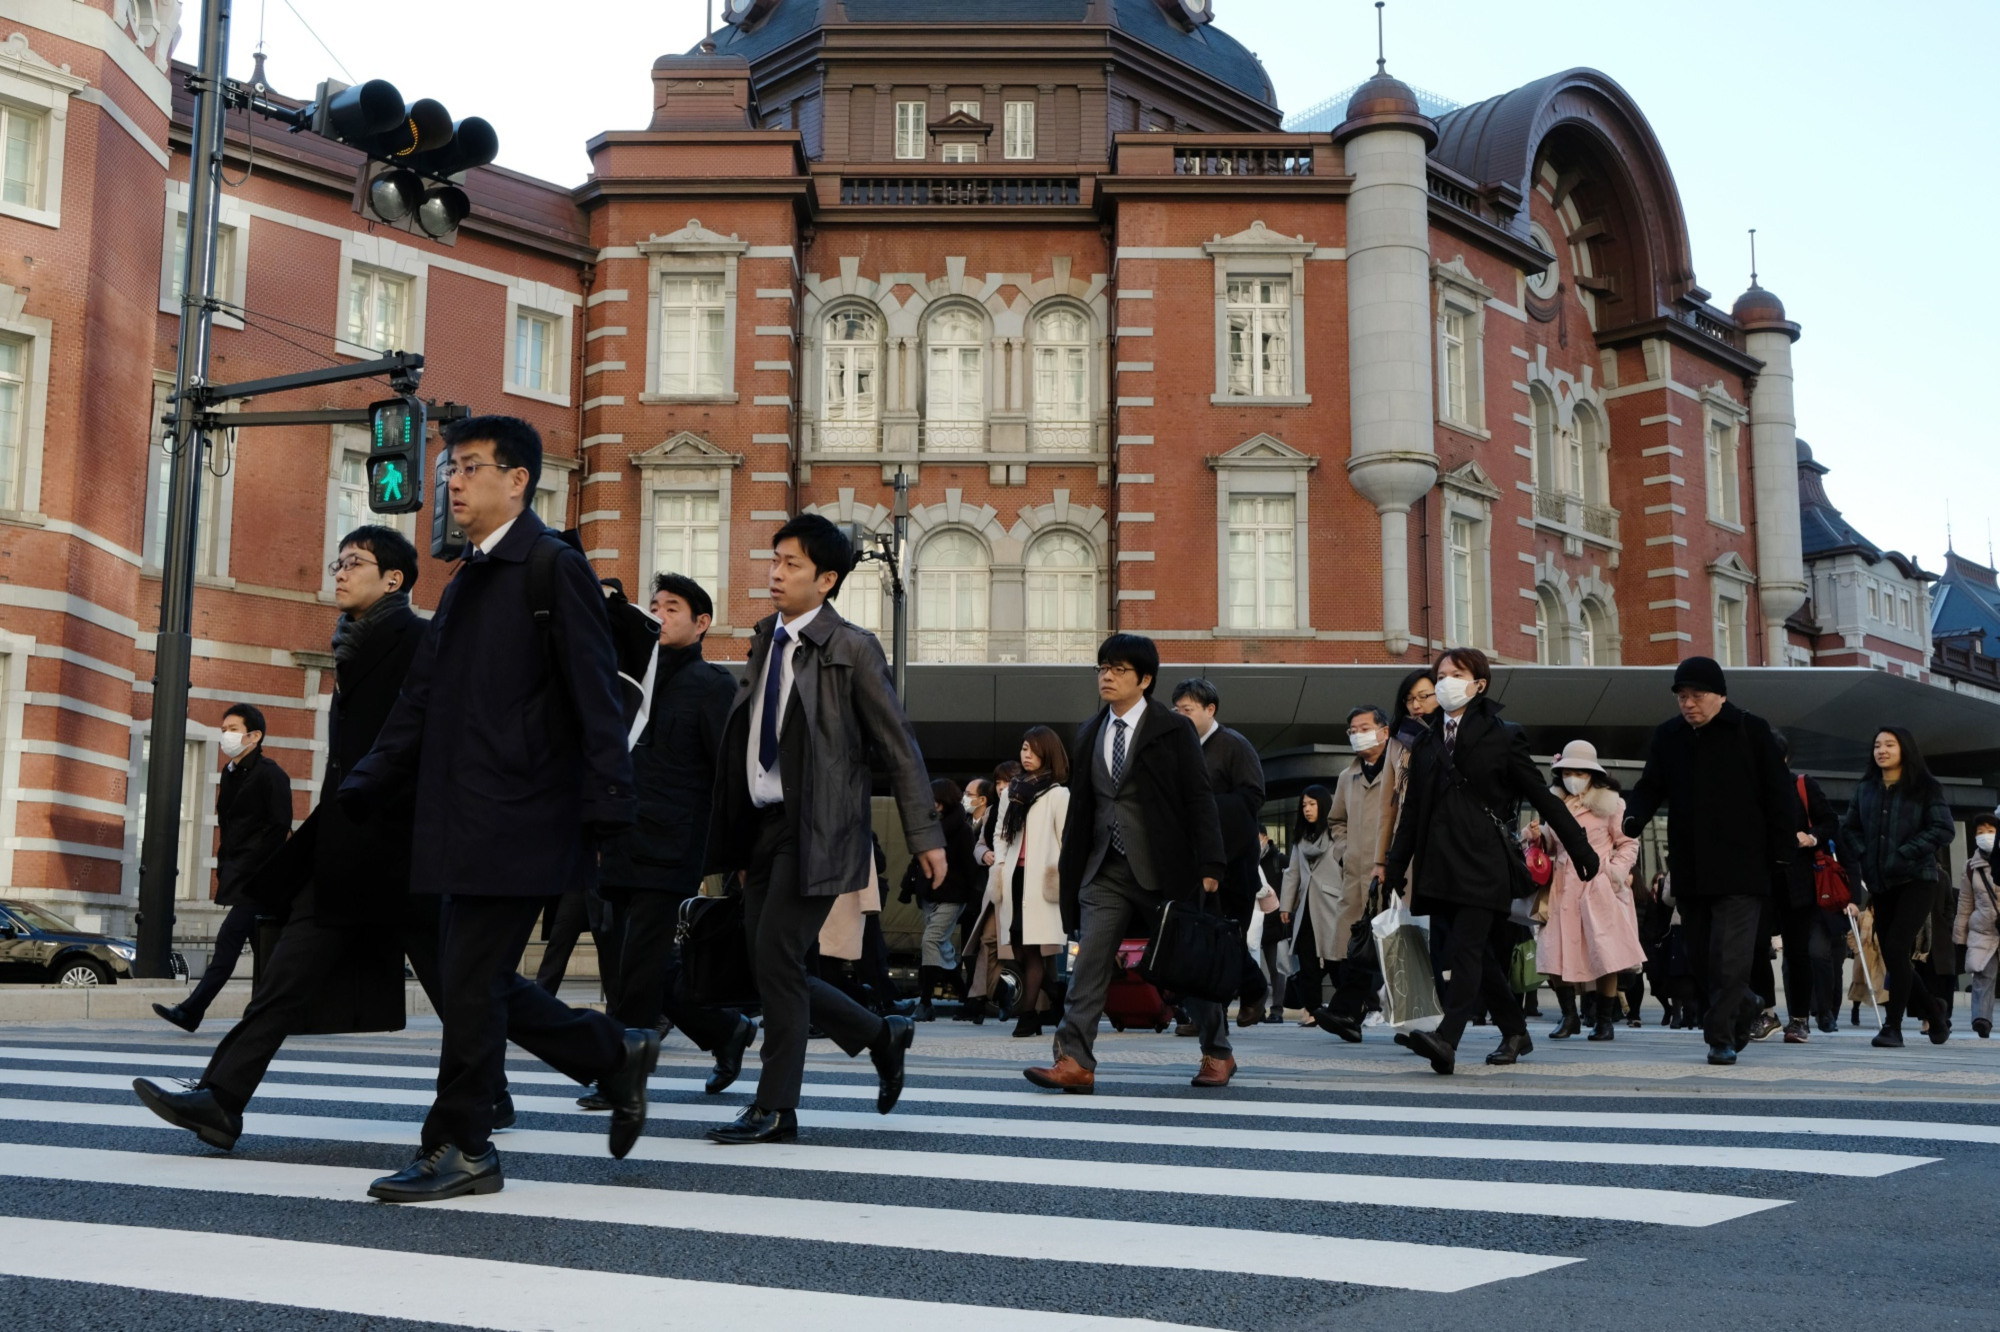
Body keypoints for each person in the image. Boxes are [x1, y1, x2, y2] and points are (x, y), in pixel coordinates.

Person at [337, 415, 660, 1201]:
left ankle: (463, 1146)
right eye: (451, 469)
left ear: (518, 481)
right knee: (470, 975)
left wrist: (610, 803)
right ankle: (612, 1053)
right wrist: (367, 780)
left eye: (471, 468)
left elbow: (594, 693)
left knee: (473, 982)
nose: (452, 482)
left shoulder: (553, 568)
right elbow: (420, 701)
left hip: (523, 811)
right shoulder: (466, 577)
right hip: (459, 812)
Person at [135, 526, 461, 1149]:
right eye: (337, 561)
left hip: (406, 849)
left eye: (355, 563)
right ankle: (222, 1100)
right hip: (351, 847)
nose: (339, 572)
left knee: (466, 986)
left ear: (393, 579)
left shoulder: (422, 641)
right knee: (284, 978)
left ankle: (593, 1057)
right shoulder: (354, 644)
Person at [704, 513, 946, 1144]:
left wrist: (925, 835)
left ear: (828, 578)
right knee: (770, 966)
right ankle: (879, 1033)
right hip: (761, 828)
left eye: (792, 564)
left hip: (817, 828)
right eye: (775, 559)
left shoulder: (852, 648)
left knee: (778, 958)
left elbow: (899, 747)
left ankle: (776, 1107)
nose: (776, 573)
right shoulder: (766, 638)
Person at [1025, 633, 1229, 1093]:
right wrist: (1072, 869)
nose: (1107, 676)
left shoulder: (1172, 728)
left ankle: (1217, 1051)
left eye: (1118, 670)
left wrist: (1211, 863)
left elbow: (1199, 798)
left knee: (1187, 962)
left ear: (1145, 679)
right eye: (1102, 668)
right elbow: (1084, 810)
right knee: (1091, 960)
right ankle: (1074, 1060)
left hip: (1165, 865)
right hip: (1105, 868)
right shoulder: (1088, 730)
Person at [1383, 647, 1600, 1075]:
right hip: (1440, 866)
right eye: (1440, 674)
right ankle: (1515, 1030)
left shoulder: (1504, 735)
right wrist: (1395, 865)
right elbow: (1412, 812)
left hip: (1485, 863)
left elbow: (1541, 796)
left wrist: (1579, 846)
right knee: (1476, 954)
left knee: (1465, 949)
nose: (1445, 681)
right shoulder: (1425, 741)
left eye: (1456, 673)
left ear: (1479, 683)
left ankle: (1447, 1038)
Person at [586, 572, 756, 1103]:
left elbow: (732, 776)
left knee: (639, 967)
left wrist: (738, 853)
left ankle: (622, 1079)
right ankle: (725, 1030)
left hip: (672, 846)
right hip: (616, 841)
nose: (658, 614)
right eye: (654, 605)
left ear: (701, 623)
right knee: (632, 967)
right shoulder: (629, 681)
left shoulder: (713, 687)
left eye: (672, 608)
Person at [1622, 656, 1793, 1066]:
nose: (1688, 703)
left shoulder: (1751, 731)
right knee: (1699, 957)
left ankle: (1719, 1038)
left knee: (1730, 956)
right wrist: (1631, 818)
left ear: (1720, 695)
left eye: (1697, 695)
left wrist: (1783, 852)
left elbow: (1779, 795)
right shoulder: (1669, 736)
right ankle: (1748, 1003)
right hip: (1692, 866)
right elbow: (1649, 787)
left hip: (1744, 866)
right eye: (1682, 696)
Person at [152, 704, 292, 1032]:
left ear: (254, 735)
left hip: (260, 880)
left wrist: (251, 866)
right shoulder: (230, 774)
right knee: (266, 951)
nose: (225, 735)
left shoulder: (271, 774)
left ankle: (192, 1011)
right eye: (224, 728)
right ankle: (272, 1014)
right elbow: (229, 827)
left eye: (232, 728)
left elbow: (279, 826)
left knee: (229, 942)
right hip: (242, 877)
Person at [1839, 726, 1956, 1048]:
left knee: (1894, 948)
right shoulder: (1866, 789)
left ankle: (1893, 1027)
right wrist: (1864, 854)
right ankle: (1934, 1011)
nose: (1882, 750)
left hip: (1917, 879)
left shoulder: (1925, 787)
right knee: (1896, 956)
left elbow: (1943, 829)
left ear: (1905, 748)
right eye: (1877, 745)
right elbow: (1849, 829)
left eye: (1889, 744)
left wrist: (1905, 852)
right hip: (1881, 882)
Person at [1169, 679, 1270, 1026]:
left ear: (1210, 710)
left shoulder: (1233, 745)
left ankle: (1251, 991)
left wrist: (1205, 806)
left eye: (1188, 710)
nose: (1180, 716)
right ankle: (1206, 1016)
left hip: (1233, 859)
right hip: (1189, 858)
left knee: (1224, 937)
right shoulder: (1177, 746)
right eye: (1177, 710)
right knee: (1195, 937)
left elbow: (1253, 797)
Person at [1530, 740, 1643, 1042]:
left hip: (1598, 884)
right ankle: (1570, 1017)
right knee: (1554, 952)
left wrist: (1614, 873)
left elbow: (1629, 842)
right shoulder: (1554, 803)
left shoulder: (1611, 803)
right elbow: (1554, 845)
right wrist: (1537, 837)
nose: (1574, 777)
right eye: (1569, 771)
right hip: (1562, 884)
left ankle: (1604, 1020)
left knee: (1604, 952)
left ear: (1594, 774)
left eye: (1581, 771)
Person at [1313, 707, 1401, 1042]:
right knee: (1354, 948)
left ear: (1385, 731)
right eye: (1352, 729)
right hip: (1356, 875)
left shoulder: (1400, 769)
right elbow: (1336, 821)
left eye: (1364, 727)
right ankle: (1348, 1011)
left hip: (1394, 875)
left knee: (1398, 950)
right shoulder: (1346, 776)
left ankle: (1355, 1012)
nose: (1357, 734)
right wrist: (1343, 850)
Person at [989, 727, 1071, 1038]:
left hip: (1040, 880)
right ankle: (1054, 990)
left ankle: (1028, 1016)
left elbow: (1066, 840)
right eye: (1024, 748)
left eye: (1033, 750)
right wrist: (999, 863)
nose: (1026, 755)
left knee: (1034, 949)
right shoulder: (1013, 791)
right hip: (1013, 876)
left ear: (1047, 753)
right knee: (1019, 948)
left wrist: (1064, 877)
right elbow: (999, 832)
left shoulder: (1058, 793)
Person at [1774, 733, 1843, 1040]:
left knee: (1798, 952)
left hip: (1798, 880)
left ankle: (1799, 1018)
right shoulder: (1746, 788)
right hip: (1758, 879)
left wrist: (1810, 837)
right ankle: (1760, 1012)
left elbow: (1830, 822)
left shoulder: (1801, 785)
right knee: (1747, 948)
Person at [901, 777, 981, 1021]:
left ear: (944, 800)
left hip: (952, 896)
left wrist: (973, 899)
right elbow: (917, 860)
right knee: (941, 948)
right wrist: (908, 887)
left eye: (935, 799)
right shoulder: (929, 825)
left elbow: (970, 866)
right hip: (929, 894)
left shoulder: (962, 830)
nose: (931, 804)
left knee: (930, 941)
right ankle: (969, 996)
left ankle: (925, 1003)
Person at [1278, 785, 1339, 1026]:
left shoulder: (1336, 833)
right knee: (1307, 960)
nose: (1307, 809)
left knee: (1336, 960)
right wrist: (1286, 906)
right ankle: (1313, 1010)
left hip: (1333, 905)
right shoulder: (1300, 838)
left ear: (1323, 805)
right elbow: (1293, 873)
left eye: (1312, 804)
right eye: (1304, 805)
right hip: (1306, 908)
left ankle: (1348, 1006)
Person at [1954, 812, 1998, 1038]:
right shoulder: (1971, 866)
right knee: (1983, 974)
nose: (1985, 836)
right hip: (1984, 929)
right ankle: (1981, 1019)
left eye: (1990, 831)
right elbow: (1965, 902)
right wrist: (1960, 938)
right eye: (1980, 832)